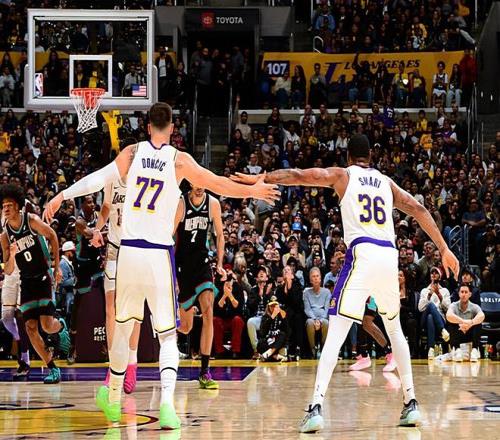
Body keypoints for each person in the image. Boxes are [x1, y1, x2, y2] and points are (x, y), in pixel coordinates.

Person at [43, 102, 279, 428]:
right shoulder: (179, 160)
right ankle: (167, 405)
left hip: (128, 253)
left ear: (147, 126)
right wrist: (253, 190)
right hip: (157, 254)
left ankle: (113, 399)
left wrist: (61, 196)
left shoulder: (131, 153)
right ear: (171, 128)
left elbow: (98, 178)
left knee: (124, 329)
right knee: (168, 336)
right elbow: (217, 183)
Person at [231, 134, 460, 431]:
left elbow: (300, 175)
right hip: (389, 256)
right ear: (370, 158)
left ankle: (315, 406)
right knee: (395, 330)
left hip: (362, 252)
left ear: (349, 157)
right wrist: (444, 248)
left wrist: (263, 178)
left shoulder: (343, 175)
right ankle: (411, 402)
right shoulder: (386, 182)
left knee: (337, 329)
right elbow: (419, 209)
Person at [1, 184, 70, 384]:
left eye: (9, 205)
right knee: (30, 327)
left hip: (43, 276)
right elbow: (8, 270)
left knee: (47, 326)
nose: (6, 209)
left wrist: (56, 268)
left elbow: (53, 236)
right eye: (3, 206)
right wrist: (11, 255)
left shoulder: (31, 221)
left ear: (18, 206)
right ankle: (52, 368)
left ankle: (61, 325)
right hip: (26, 281)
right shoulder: (5, 236)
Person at [90, 174, 141, 394]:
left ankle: (131, 363)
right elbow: (106, 207)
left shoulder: (142, 177)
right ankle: (114, 366)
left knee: (134, 308)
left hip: (136, 248)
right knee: (110, 309)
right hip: (113, 248)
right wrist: (97, 229)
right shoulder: (112, 179)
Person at [174, 185, 226, 389]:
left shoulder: (213, 204)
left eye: (202, 183)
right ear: (190, 183)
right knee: (186, 327)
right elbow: (170, 238)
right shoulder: (181, 203)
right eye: (196, 183)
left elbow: (220, 235)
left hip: (203, 264)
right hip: (183, 267)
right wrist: (171, 272)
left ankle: (204, 371)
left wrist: (219, 263)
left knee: (208, 312)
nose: (199, 188)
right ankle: (164, 326)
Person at [68, 195, 103, 364]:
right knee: (77, 304)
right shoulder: (79, 221)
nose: (93, 204)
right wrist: (105, 232)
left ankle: (106, 344)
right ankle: (72, 347)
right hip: (82, 266)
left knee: (106, 300)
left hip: (96, 262)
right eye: (89, 202)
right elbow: (90, 235)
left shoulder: (98, 216)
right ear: (82, 205)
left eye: (93, 201)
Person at [348, 297, 397, 372]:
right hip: (358, 296)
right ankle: (364, 357)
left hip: (371, 296)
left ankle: (390, 353)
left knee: (367, 322)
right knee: (360, 323)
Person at [418, 267, 451, 359]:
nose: (433, 274)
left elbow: (448, 308)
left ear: (440, 276)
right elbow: (420, 308)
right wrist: (429, 295)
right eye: (432, 273)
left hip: (440, 318)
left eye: (436, 273)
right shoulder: (424, 291)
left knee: (430, 317)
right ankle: (442, 330)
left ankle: (431, 349)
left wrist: (439, 295)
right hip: (424, 320)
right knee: (430, 306)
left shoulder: (445, 291)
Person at [446, 284, 485, 362]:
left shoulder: (474, 306)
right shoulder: (453, 305)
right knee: (451, 323)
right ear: (459, 294)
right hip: (458, 333)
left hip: (470, 335)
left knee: (478, 323)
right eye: (462, 292)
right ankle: (457, 350)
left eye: (466, 292)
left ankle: (474, 350)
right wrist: (463, 322)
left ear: (470, 294)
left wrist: (471, 323)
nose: (464, 294)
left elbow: (482, 316)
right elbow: (448, 315)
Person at [303, 267, 330, 359]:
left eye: (317, 276)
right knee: (309, 322)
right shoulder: (306, 293)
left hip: (323, 317)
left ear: (320, 278)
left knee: (326, 323)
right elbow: (307, 309)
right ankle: (313, 349)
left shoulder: (326, 292)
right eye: (313, 276)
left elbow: (327, 309)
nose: (315, 278)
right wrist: (315, 319)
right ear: (310, 280)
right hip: (312, 317)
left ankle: (323, 349)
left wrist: (320, 320)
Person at [257, 296, 288, 361]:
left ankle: (270, 353)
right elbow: (262, 333)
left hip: (278, 342)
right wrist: (272, 318)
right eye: (271, 306)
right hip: (269, 341)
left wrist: (284, 319)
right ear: (268, 307)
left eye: (275, 306)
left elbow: (287, 332)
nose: (273, 308)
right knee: (260, 344)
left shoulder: (282, 316)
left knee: (282, 334)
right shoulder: (265, 317)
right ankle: (277, 356)